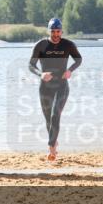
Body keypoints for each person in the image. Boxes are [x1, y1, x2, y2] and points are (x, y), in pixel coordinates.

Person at [28, 17, 82, 161]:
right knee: (48, 119)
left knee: (55, 115)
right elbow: (31, 65)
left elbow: (78, 59)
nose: (56, 35)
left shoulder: (68, 45)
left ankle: (51, 147)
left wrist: (70, 70)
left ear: (62, 31)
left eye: (58, 32)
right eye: (53, 32)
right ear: (49, 31)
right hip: (45, 87)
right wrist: (41, 74)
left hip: (62, 85)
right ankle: (54, 142)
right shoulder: (41, 45)